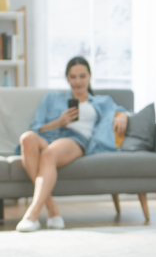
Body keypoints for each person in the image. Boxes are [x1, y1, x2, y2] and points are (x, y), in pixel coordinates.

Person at [15, 56, 129, 232]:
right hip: (51, 135)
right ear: (67, 78)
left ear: (89, 76)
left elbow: (124, 110)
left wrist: (123, 115)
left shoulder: (101, 101)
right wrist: (59, 122)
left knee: (48, 154)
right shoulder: (52, 98)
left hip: (75, 139)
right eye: (73, 77)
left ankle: (33, 214)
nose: (78, 81)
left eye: (82, 76)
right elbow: (36, 127)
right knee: (26, 138)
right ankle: (53, 210)